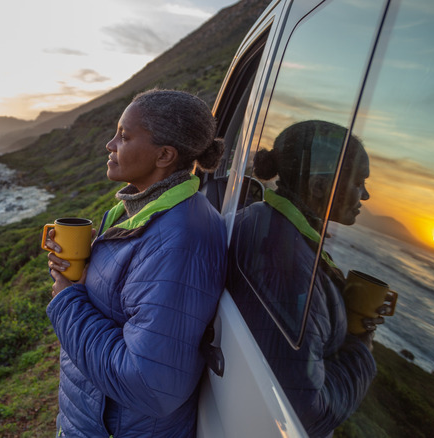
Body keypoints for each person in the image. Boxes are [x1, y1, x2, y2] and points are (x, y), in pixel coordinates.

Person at [44, 89, 227, 437]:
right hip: (92, 421)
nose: (110, 145)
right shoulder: (135, 212)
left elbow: (148, 384)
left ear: (164, 155)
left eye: (124, 137)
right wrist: (79, 274)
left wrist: (67, 300)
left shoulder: (179, 242)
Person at [228, 120, 380, 437]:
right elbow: (304, 413)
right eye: (359, 182)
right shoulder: (286, 266)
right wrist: (360, 350)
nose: (365, 194)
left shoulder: (262, 220)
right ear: (319, 188)